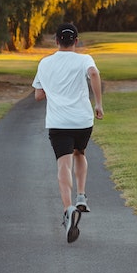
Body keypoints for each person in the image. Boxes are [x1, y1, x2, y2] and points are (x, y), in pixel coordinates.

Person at [32, 23, 104, 243]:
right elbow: (93, 73)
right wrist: (98, 103)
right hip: (82, 121)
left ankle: (68, 209)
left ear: (56, 41)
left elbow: (38, 95)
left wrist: (53, 90)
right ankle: (81, 195)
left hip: (58, 122)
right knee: (79, 152)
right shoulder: (84, 60)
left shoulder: (45, 63)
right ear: (76, 41)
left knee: (64, 164)